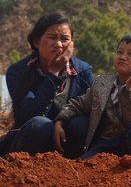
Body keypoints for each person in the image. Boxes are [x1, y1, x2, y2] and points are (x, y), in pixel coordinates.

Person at [53, 33, 131, 159]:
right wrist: (60, 121)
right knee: (83, 159)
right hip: (104, 147)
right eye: (119, 52)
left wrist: (128, 90)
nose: (122, 57)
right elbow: (77, 105)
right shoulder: (102, 83)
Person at [0, 12, 94, 158]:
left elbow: (91, 111)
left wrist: (60, 121)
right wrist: (53, 73)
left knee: (82, 123)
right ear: (36, 42)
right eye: (52, 37)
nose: (58, 44)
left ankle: (71, 170)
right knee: (40, 125)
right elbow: (30, 115)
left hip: (65, 142)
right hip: (28, 145)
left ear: (71, 44)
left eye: (65, 39)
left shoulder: (83, 72)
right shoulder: (18, 71)